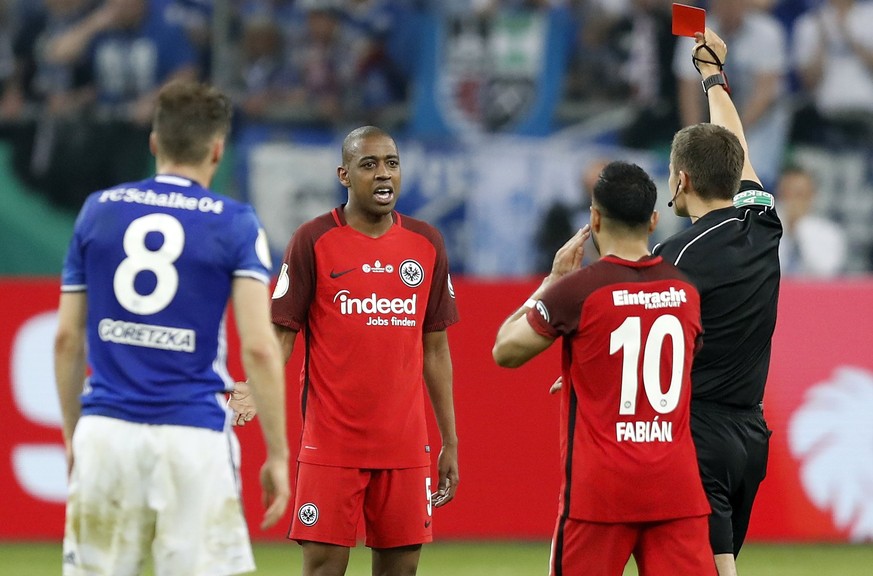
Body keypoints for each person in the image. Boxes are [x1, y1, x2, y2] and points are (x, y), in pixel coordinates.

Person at [54, 80, 290, 576]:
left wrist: (76, 436)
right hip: (193, 437)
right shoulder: (235, 222)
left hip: (107, 431)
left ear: (154, 142)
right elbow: (261, 349)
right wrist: (278, 453)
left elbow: (67, 339)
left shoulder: (98, 210)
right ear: (218, 149)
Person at [232, 125, 460, 575]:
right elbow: (283, 335)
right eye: (369, 164)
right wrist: (255, 388)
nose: (383, 175)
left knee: (401, 569)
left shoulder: (427, 243)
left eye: (391, 164)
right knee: (322, 568)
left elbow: (436, 350)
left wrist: (449, 440)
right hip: (331, 445)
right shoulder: (312, 240)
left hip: (405, 447)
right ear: (344, 174)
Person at [492, 160, 715, 576]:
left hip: (601, 495)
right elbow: (677, 366)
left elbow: (505, 350)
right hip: (675, 491)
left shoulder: (579, 291)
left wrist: (551, 281)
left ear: (593, 218)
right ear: (653, 220)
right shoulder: (686, 292)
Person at [653, 28, 782, 576]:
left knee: (712, 569)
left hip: (696, 435)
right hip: (751, 438)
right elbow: (738, 149)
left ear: (681, 180)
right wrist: (712, 74)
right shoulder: (763, 223)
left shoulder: (674, 256)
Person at [776, 165, 847, 278]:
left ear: (812, 195)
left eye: (800, 194)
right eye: (788, 193)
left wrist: (798, 228)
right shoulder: (765, 228)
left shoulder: (830, 232)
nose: (794, 201)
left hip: (813, 293)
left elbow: (827, 271)